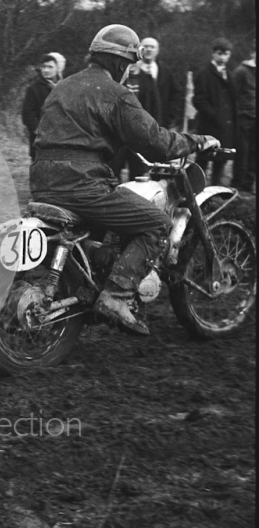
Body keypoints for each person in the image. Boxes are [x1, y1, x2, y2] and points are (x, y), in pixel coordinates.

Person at [31, 24, 219, 336]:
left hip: (42, 179)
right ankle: (116, 296)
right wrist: (197, 141)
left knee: (100, 224)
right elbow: (155, 140)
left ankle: (93, 276)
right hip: (82, 184)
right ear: (119, 63)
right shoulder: (116, 94)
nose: (130, 73)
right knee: (157, 223)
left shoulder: (61, 87)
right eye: (129, 66)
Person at [193, 38, 237, 186]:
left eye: (226, 54)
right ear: (213, 54)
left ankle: (215, 192)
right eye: (219, 53)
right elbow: (199, 100)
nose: (222, 57)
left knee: (221, 161)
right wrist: (214, 115)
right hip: (208, 126)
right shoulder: (203, 74)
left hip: (225, 126)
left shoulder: (230, 75)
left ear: (229, 55)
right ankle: (196, 191)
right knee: (203, 162)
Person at [110, 61, 160, 181]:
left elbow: (155, 106)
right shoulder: (115, 78)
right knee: (113, 171)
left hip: (138, 135)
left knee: (138, 173)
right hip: (117, 135)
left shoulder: (147, 79)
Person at [138, 38, 184, 130]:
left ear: (157, 51)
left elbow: (176, 94)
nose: (149, 49)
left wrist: (170, 116)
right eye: (145, 46)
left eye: (152, 47)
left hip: (161, 124)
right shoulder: (131, 72)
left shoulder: (166, 72)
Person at [22, 54, 61, 160]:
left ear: (57, 68)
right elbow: (27, 114)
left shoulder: (64, 87)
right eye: (44, 67)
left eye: (50, 67)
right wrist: (40, 133)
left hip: (62, 141)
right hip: (41, 143)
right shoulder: (33, 89)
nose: (46, 70)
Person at [232, 44, 255, 194]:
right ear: (253, 52)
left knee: (254, 152)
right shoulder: (241, 71)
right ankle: (238, 184)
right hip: (244, 117)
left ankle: (248, 183)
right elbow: (233, 94)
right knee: (242, 151)